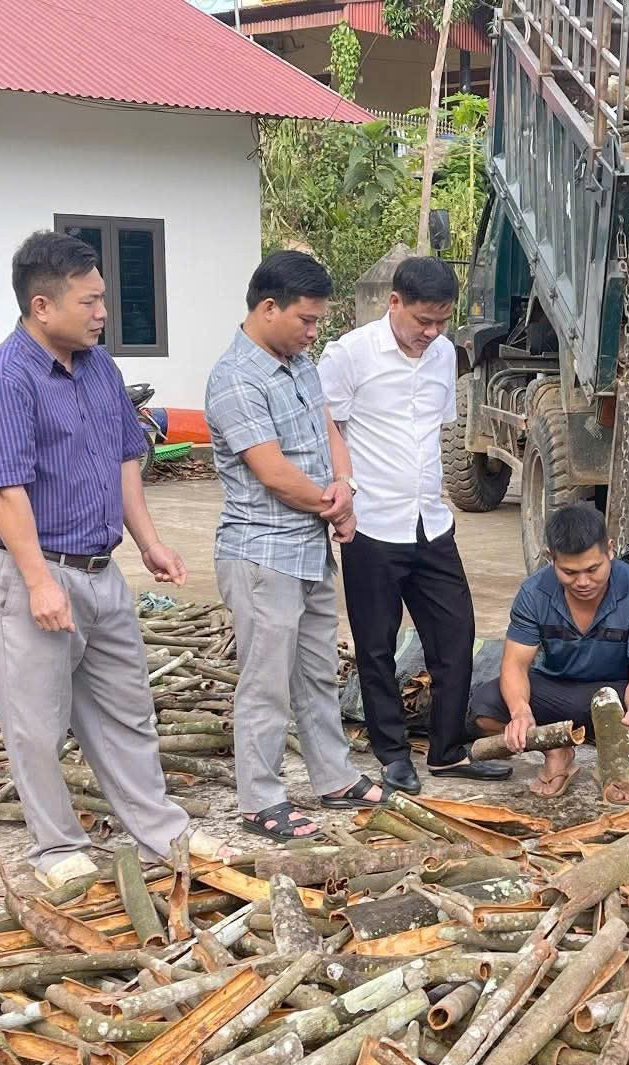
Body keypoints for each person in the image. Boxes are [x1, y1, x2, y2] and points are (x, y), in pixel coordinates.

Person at [0, 231, 229, 888]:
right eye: (90, 300)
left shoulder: (99, 366)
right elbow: (5, 489)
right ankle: (56, 849)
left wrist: (149, 541)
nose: (103, 311)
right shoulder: (5, 380)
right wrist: (37, 582)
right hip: (34, 573)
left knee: (127, 709)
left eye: (103, 297)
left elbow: (123, 456)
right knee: (37, 722)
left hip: (101, 572)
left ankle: (162, 831)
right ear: (42, 306)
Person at [205, 251, 386, 843]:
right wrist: (332, 504)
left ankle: (333, 777)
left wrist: (346, 486)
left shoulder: (299, 363)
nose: (314, 332)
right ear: (267, 308)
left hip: (308, 549)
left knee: (316, 673)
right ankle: (260, 799)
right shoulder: (235, 379)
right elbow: (272, 471)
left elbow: (328, 428)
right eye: (306, 320)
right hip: (262, 554)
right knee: (266, 681)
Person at [318, 256, 511, 794]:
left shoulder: (443, 353)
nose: (430, 333)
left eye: (441, 321)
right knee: (376, 647)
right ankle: (393, 755)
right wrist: (343, 490)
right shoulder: (349, 355)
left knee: (456, 638)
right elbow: (324, 423)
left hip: (431, 524)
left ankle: (447, 752)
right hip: (372, 527)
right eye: (422, 320)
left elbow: (434, 431)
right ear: (394, 303)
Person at [469, 504, 629, 799]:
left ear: (610, 550)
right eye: (569, 572)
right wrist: (521, 712)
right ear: (551, 559)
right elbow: (514, 665)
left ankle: (610, 757)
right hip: (553, 691)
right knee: (484, 707)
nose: (583, 582)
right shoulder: (534, 593)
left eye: (593, 569)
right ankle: (556, 749)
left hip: (612, 696)